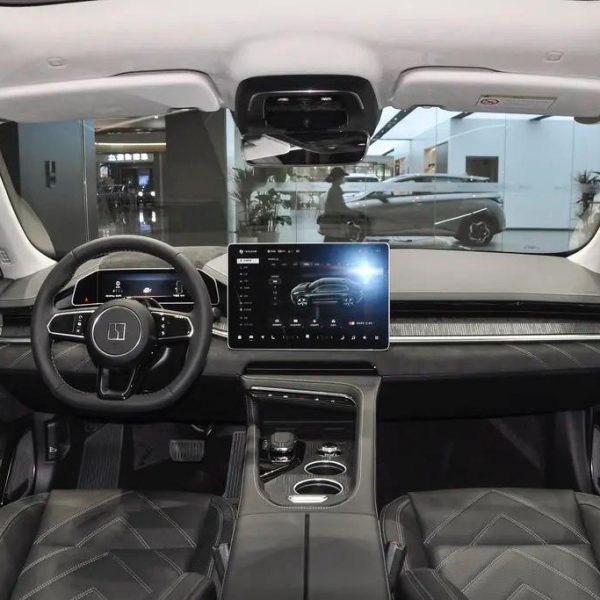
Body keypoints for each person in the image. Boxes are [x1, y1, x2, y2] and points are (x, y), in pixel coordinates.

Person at [320, 167, 362, 242]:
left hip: (333, 223)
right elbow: (340, 207)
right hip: (335, 224)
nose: (343, 178)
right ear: (338, 178)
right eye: (342, 177)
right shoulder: (336, 190)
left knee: (331, 241)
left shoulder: (334, 189)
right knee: (340, 242)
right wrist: (354, 214)